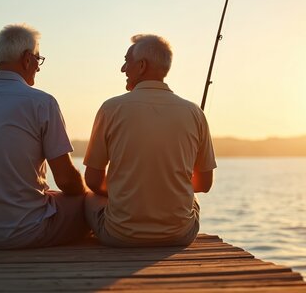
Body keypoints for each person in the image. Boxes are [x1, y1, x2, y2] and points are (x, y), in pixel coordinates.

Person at [0, 23, 88, 249]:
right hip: (23, 232)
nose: (39, 67)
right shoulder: (42, 102)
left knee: (51, 195)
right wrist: (84, 191)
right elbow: (66, 180)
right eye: (38, 59)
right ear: (26, 59)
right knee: (88, 202)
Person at [83, 34, 216, 247]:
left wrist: (124, 192)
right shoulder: (194, 112)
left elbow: (92, 181)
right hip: (179, 235)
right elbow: (204, 184)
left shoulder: (110, 108)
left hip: (119, 235)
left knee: (89, 196)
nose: (123, 69)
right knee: (193, 198)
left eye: (127, 61)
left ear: (142, 65)